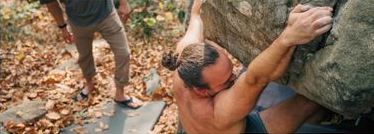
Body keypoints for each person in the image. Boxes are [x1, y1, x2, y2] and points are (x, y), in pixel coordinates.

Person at [161, 0, 334, 133]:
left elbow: (196, 16)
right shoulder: (219, 111)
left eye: (231, 70)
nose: (235, 77)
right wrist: (289, 36)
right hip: (230, 129)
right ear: (203, 91)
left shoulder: (182, 59)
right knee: (310, 102)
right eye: (227, 81)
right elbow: (256, 78)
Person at [40, 0, 141, 109]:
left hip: (106, 14)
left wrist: (123, 3)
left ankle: (120, 93)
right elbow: (51, 3)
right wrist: (63, 27)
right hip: (78, 21)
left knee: (123, 53)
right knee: (84, 55)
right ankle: (90, 83)